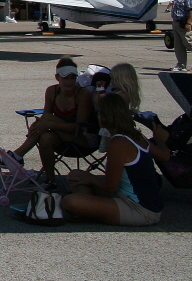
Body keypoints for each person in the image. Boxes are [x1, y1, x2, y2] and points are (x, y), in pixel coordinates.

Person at [61, 93, 170, 226]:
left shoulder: (119, 142)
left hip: (139, 209)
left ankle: (88, 212)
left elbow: (110, 186)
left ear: (106, 116)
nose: (98, 115)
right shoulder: (136, 135)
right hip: (131, 198)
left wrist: (90, 178)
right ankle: (90, 211)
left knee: (70, 202)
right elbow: (165, 156)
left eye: (100, 112)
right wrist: (160, 140)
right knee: (75, 175)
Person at [1, 57, 95, 186]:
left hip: (82, 138)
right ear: (57, 77)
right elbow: (46, 118)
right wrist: (43, 125)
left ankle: (17, 155)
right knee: (45, 137)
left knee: (45, 120)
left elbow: (79, 127)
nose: (69, 81)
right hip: (61, 135)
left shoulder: (82, 94)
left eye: (72, 77)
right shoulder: (52, 91)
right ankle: (50, 181)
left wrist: (49, 125)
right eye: (65, 77)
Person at [168, 0, 190, 72]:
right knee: (178, 46)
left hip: (184, 23)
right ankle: (181, 64)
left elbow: (191, 10)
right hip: (176, 23)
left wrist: (189, 23)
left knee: (189, 43)